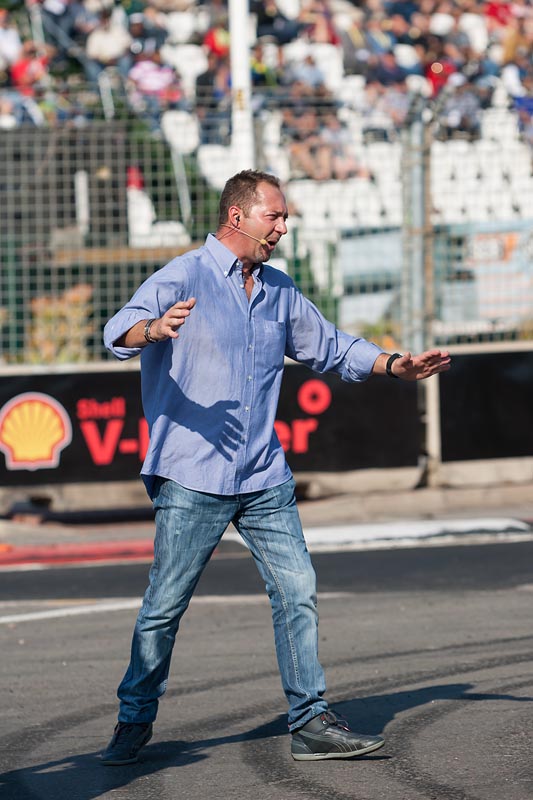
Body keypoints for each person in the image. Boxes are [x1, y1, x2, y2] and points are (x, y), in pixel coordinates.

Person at [101, 169, 451, 765]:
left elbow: (332, 346)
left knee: (298, 592)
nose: (284, 228)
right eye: (275, 216)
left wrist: (395, 364)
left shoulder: (279, 290)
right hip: (193, 476)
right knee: (164, 608)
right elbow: (117, 331)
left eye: (285, 218)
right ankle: (134, 720)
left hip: (264, 475)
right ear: (237, 216)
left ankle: (310, 720)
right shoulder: (183, 275)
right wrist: (153, 328)